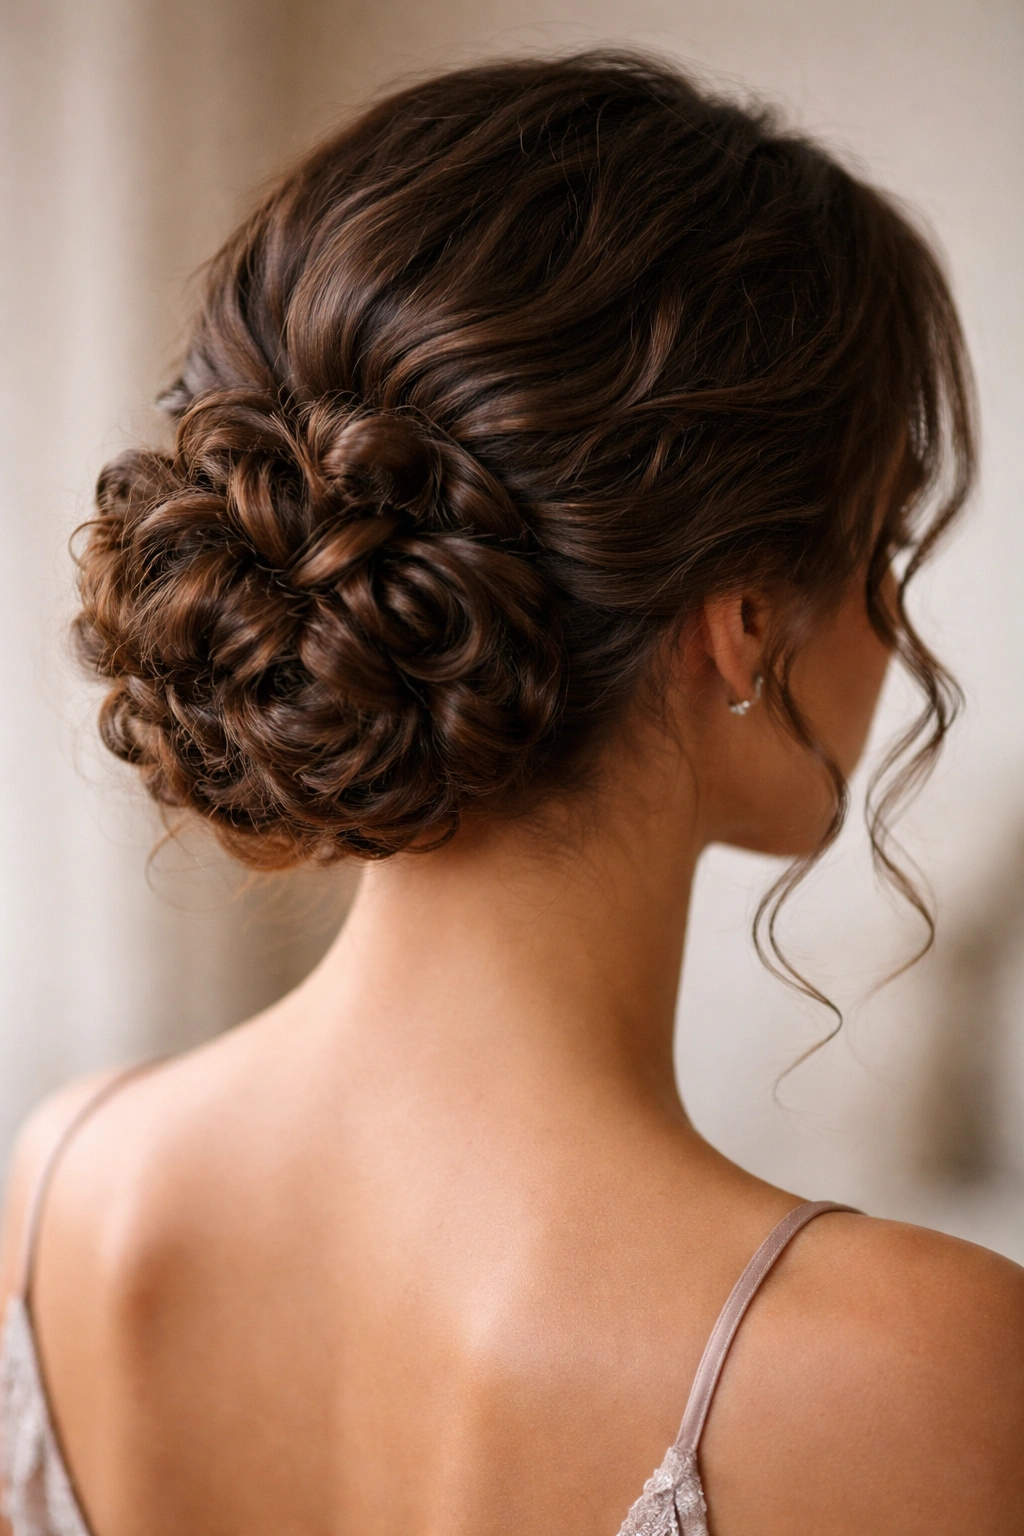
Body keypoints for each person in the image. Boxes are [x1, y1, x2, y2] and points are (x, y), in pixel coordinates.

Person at [1, 51, 1022, 1536]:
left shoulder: (72, 1186)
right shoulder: (917, 1372)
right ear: (743, 623)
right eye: (878, 552)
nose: (887, 632)